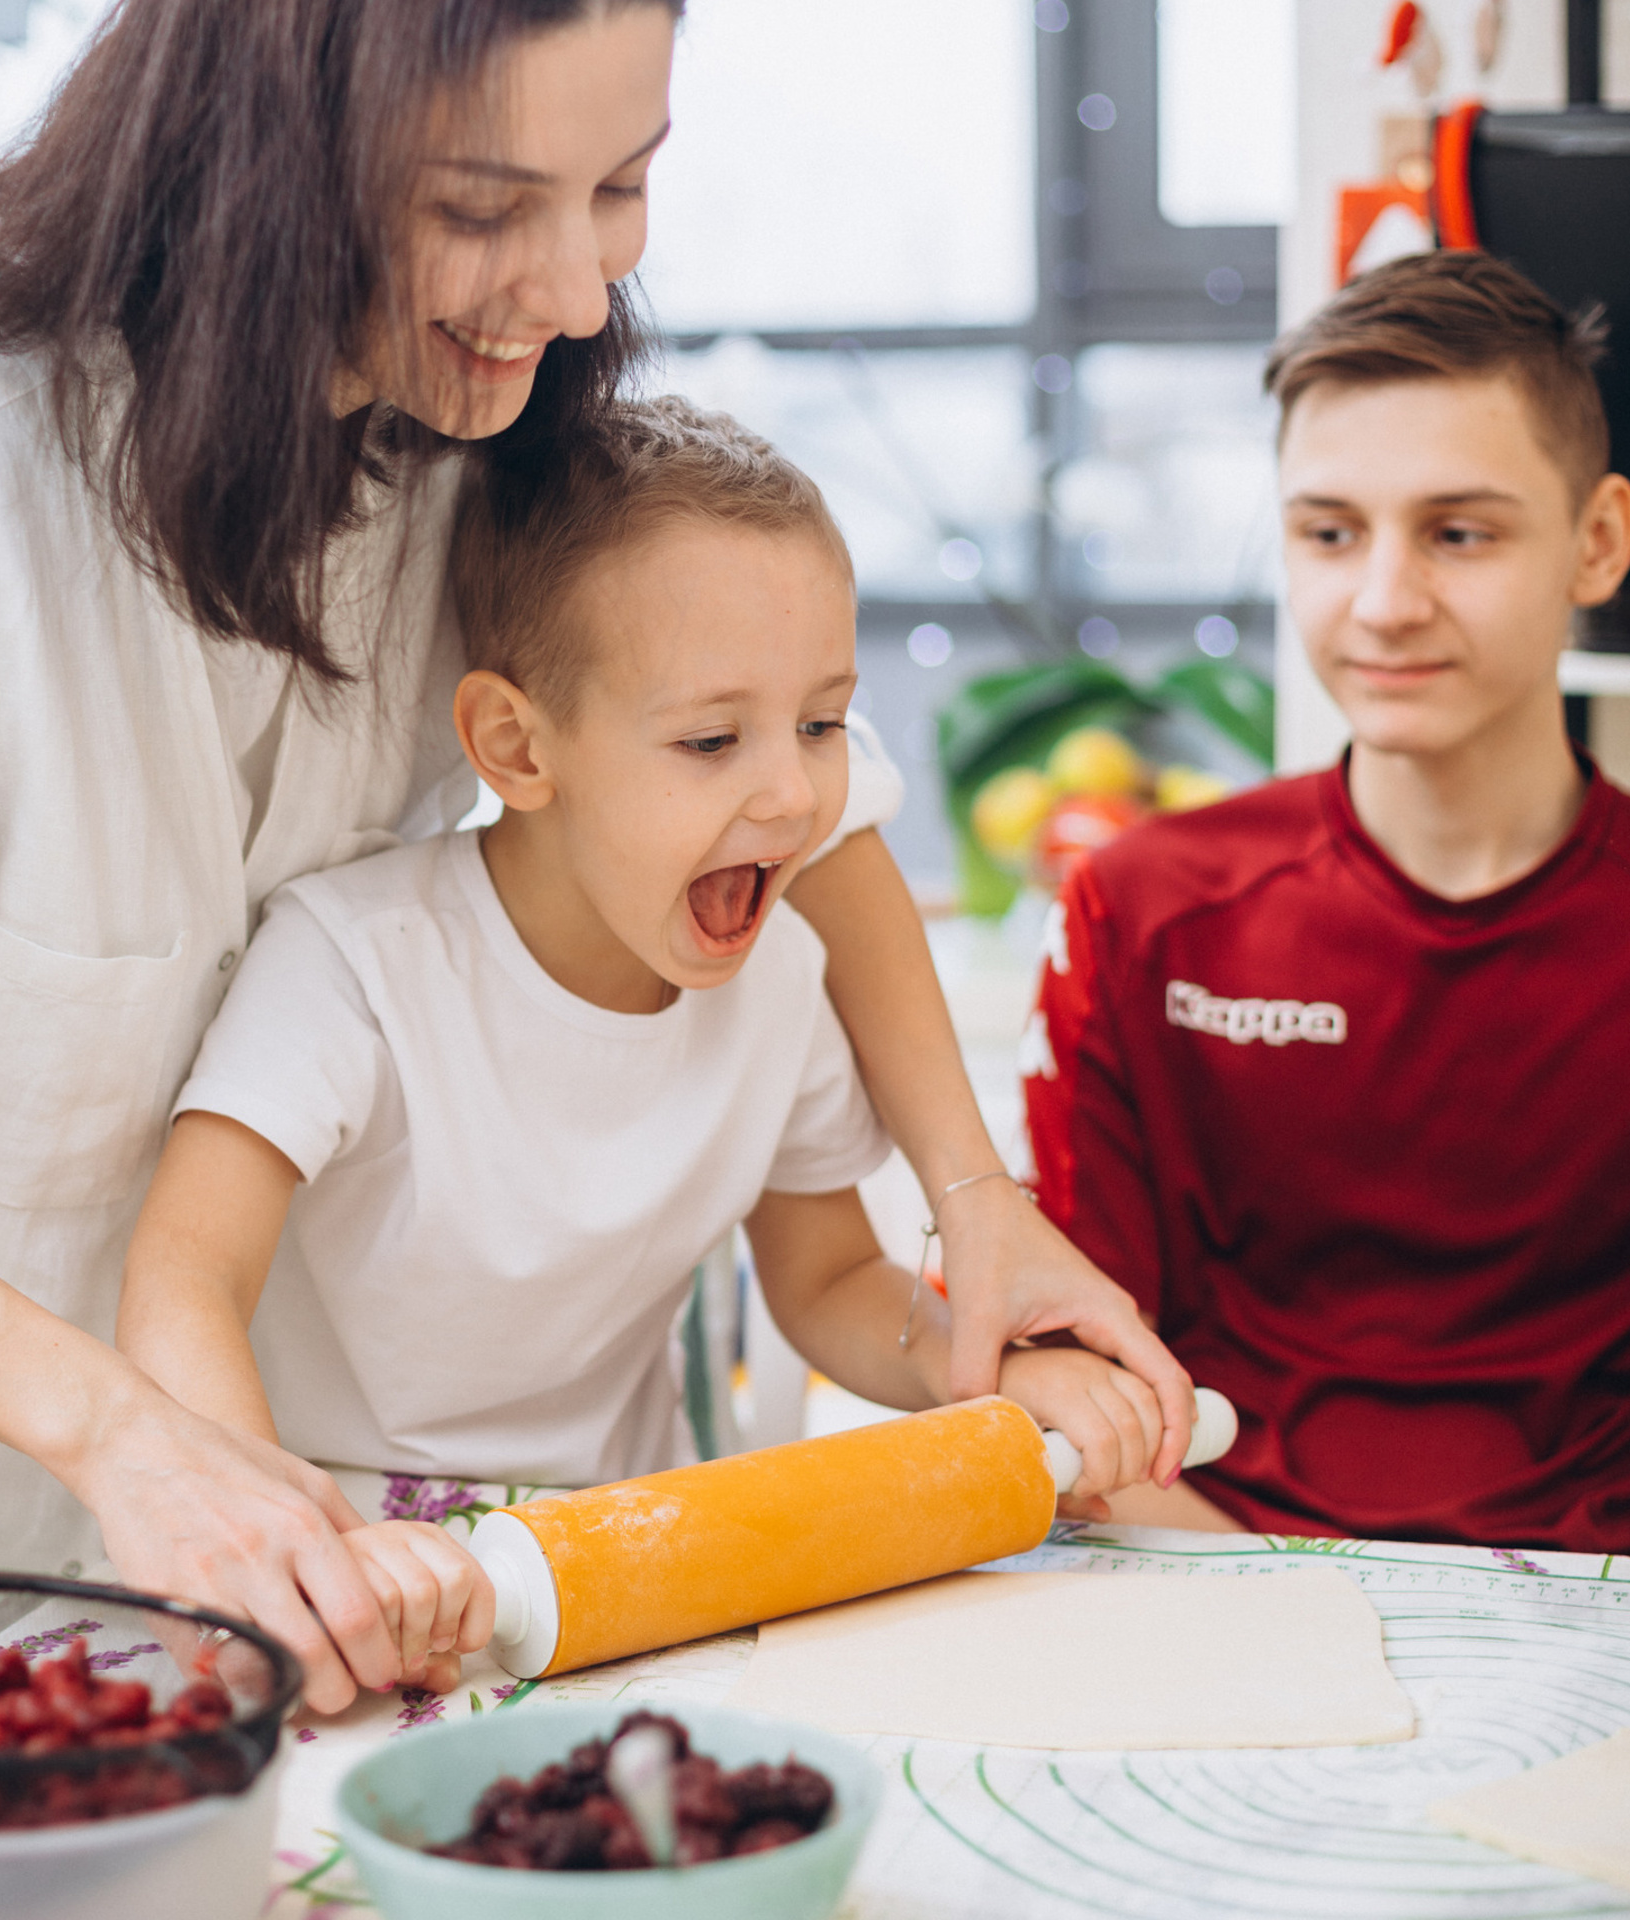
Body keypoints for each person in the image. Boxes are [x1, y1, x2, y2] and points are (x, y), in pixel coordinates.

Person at [0, 0, 1189, 1708]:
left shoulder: (461, 423)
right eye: (486, 210)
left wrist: (975, 1201)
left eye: (622, 189)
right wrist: (127, 1434)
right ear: (258, 167)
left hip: (222, 1504)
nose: (576, 296)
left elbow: (818, 808)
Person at [119, 397, 1175, 1699]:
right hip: (344, 1565)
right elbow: (182, 1277)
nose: (792, 795)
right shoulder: (354, 962)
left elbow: (831, 1276)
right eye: (711, 741)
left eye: (823, 723)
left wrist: (998, 1373)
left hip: (619, 1575)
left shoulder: (779, 969)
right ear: (516, 745)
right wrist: (278, 1544)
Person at [1022, 250, 1630, 1552]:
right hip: (1202, 1568)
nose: (1383, 602)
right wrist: (1272, 1617)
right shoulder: (1139, 912)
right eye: (1328, 533)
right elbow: (1063, 1379)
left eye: (1459, 533)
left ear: (1596, 544)